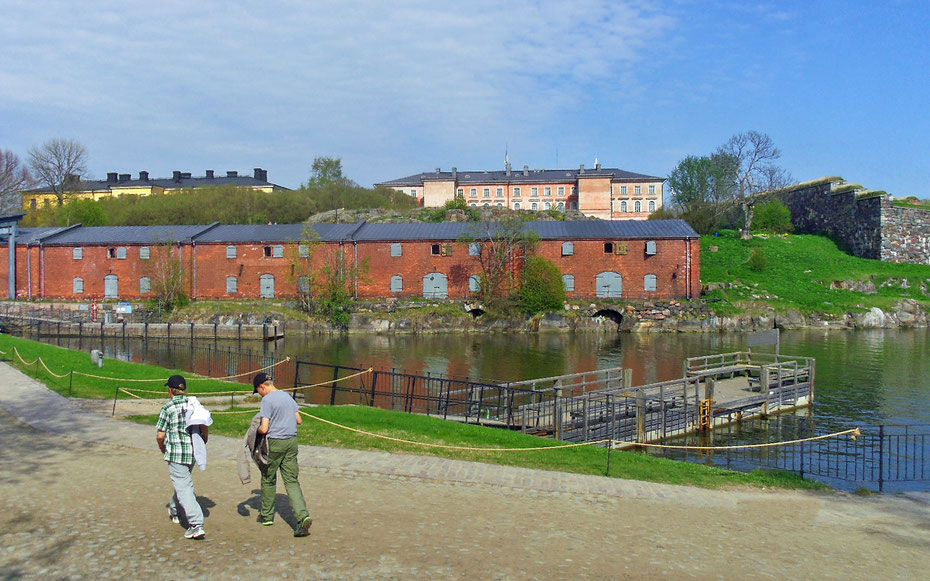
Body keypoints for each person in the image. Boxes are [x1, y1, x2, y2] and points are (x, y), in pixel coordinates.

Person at [253, 372, 313, 537]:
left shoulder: (267, 400)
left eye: (258, 391)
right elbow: (299, 420)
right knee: (291, 480)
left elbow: (264, 428)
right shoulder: (287, 396)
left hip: (275, 442)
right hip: (292, 441)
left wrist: (256, 430)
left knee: (268, 477)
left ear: (262, 386)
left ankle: (266, 515)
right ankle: (303, 516)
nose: (259, 394)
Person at [155, 374, 207, 540]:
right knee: (183, 482)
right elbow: (205, 423)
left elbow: (160, 435)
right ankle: (174, 510)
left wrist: (162, 448)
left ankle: (196, 524)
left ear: (170, 390)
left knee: (184, 487)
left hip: (177, 452)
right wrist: (204, 440)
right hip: (192, 450)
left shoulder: (167, 408)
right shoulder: (194, 404)